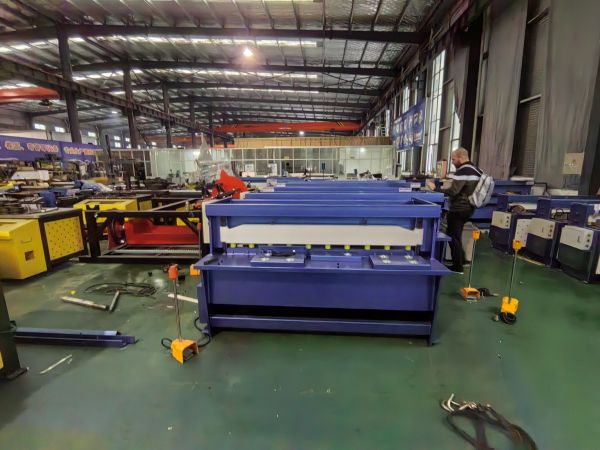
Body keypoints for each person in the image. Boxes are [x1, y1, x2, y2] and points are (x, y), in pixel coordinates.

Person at [427, 148, 482, 273]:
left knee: (453, 236)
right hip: (469, 207)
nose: (452, 162)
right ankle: (462, 260)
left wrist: (435, 189)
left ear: (461, 157)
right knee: (457, 235)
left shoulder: (463, 171)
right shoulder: (476, 170)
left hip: (459, 209)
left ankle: (457, 266)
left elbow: (453, 191)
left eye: (453, 159)